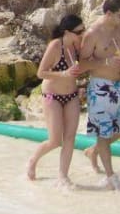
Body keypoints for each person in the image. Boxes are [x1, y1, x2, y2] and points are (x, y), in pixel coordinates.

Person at [78, 0, 120, 190]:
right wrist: (105, 62)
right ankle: (111, 176)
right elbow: (82, 63)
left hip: (119, 85)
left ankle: (94, 151)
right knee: (103, 133)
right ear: (109, 13)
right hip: (101, 87)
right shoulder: (93, 33)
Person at [26, 14, 86, 187]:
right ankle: (33, 160)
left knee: (70, 138)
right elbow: (41, 73)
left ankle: (63, 176)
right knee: (54, 140)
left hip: (71, 95)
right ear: (67, 32)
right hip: (52, 96)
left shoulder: (76, 46)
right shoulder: (55, 46)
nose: (82, 33)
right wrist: (63, 74)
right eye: (79, 31)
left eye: (83, 30)